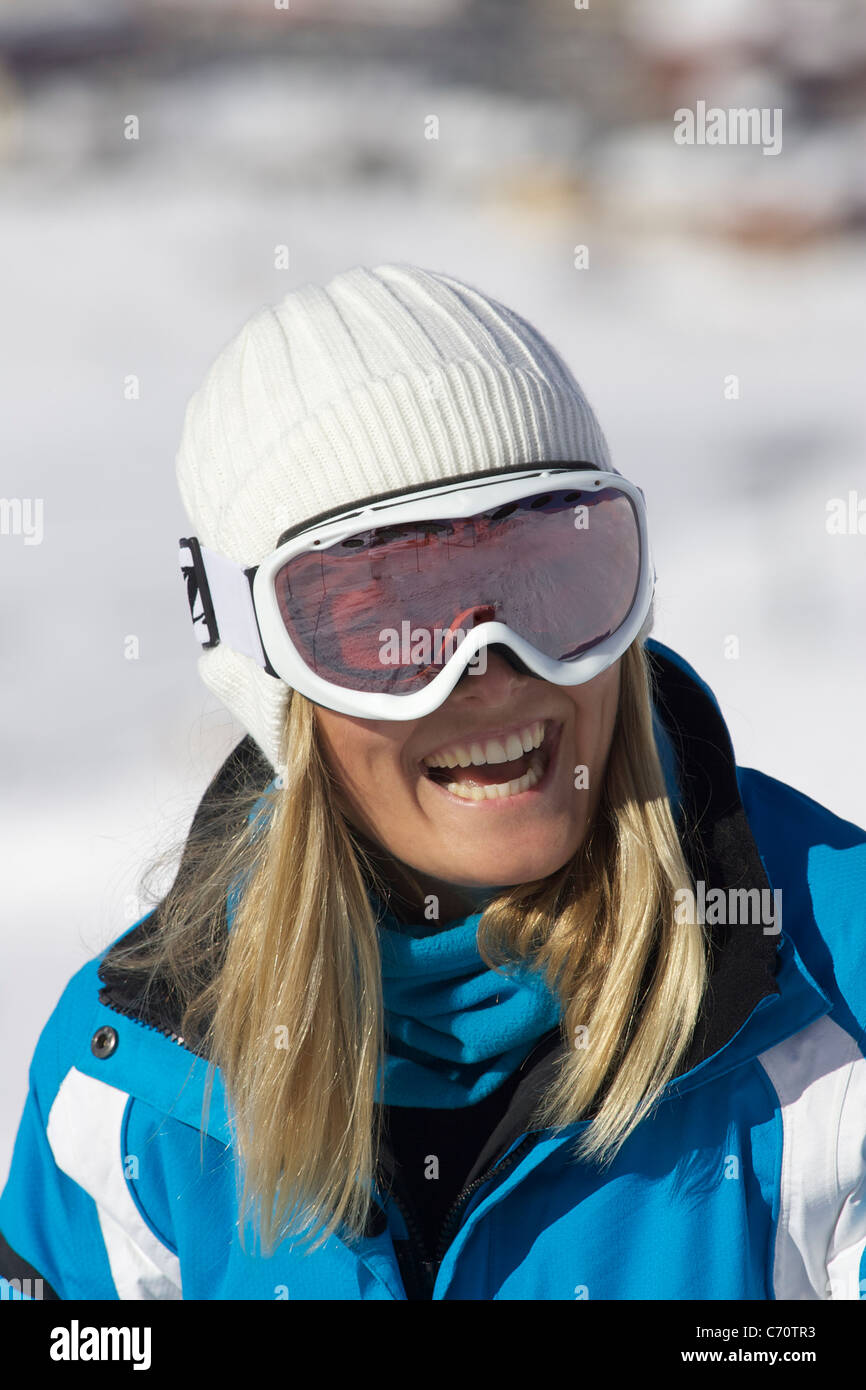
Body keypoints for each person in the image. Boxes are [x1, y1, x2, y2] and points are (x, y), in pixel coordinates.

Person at [2, 262, 865, 1302]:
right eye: (381, 616)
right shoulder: (127, 1092)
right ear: (260, 668)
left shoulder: (834, 995)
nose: (491, 676)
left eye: (550, 573)